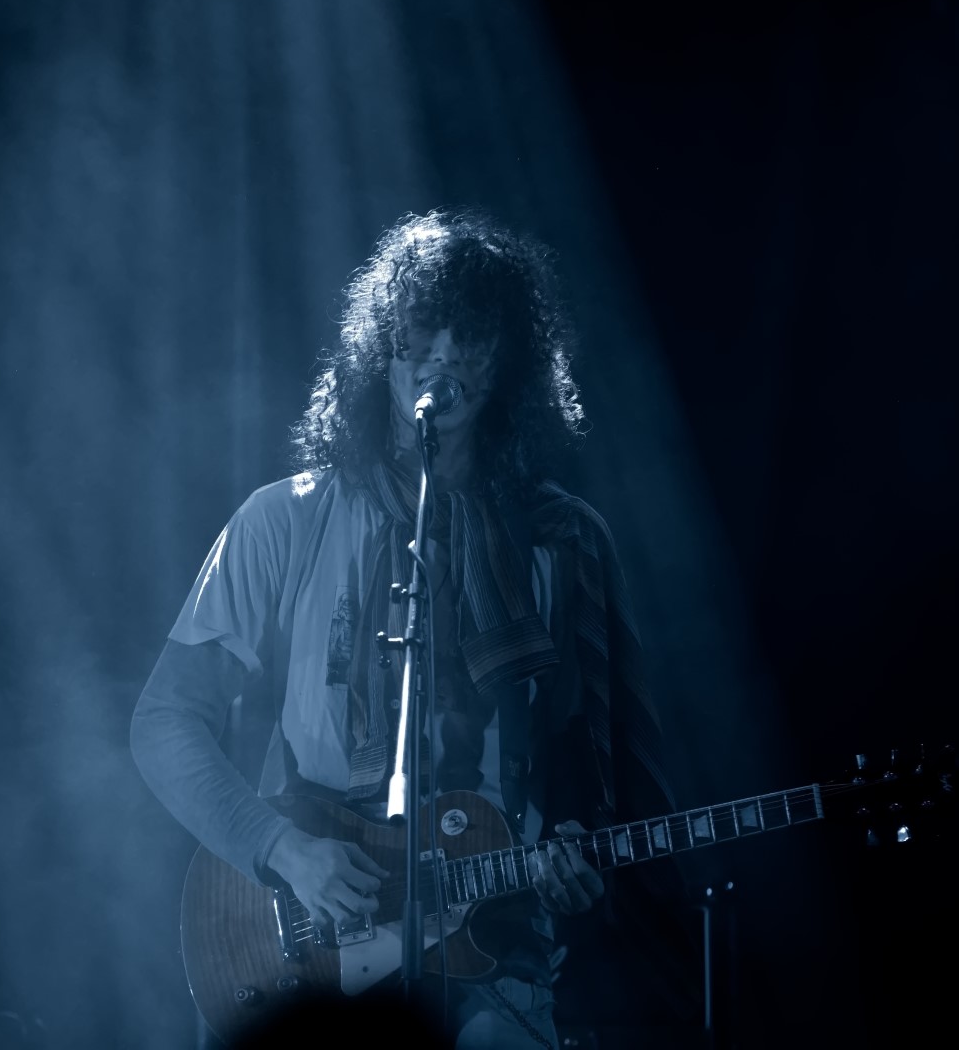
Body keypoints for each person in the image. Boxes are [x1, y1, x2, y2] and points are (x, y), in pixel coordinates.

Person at [131, 208, 688, 1049]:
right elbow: (165, 720)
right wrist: (283, 848)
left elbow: (594, 762)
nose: (444, 356)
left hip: (493, 940)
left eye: (474, 336)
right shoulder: (284, 521)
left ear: (509, 360)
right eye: (422, 331)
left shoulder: (563, 542)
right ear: (379, 351)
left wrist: (579, 855)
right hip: (313, 935)